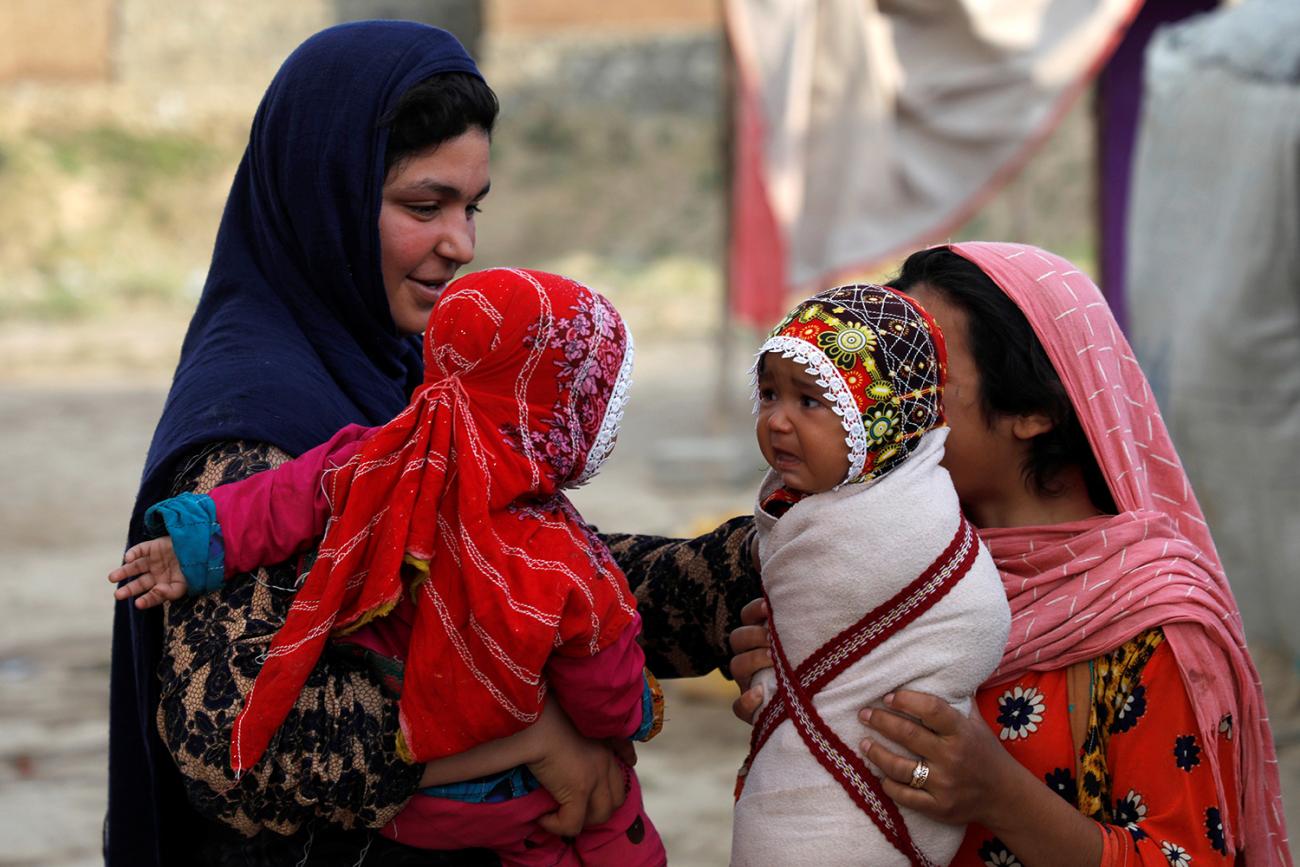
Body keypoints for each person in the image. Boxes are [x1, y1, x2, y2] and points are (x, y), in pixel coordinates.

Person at [106, 22, 648, 867]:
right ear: (327, 196)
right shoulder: (256, 427)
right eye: (424, 206)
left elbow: (497, 565)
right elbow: (236, 744)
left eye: (473, 208)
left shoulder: (401, 375)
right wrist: (531, 735)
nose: (460, 245)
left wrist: (755, 578)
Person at [729, 242, 1293, 866]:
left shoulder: (1153, 624)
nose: (880, 406)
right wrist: (795, 675)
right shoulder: (879, 564)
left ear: (1034, 410)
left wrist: (999, 796)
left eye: (922, 378)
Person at [109, 268, 666, 866]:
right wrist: (636, 712)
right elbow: (602, 686)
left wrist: (195, 545)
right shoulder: (560, 555)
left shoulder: (380, 456)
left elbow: (282, 499)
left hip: (411, 806)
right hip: (509, 794)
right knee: (613, 820)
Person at [730, 283, 1010, 866]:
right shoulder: (806, 508)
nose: (777, 420)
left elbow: (968, 622)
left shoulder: (910, 519)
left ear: (882, 419)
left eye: (810, 400)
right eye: (768, 393)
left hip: (849, 815)